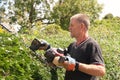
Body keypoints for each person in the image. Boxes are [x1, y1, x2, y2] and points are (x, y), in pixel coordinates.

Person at [44, 13, 106, 80]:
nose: (69, 28)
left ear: (82, 26)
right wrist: (48, 50)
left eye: (72, 25)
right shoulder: (72, 45)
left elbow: (101, 71)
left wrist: (76, 65)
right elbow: (65, 62)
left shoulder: (91, 45)